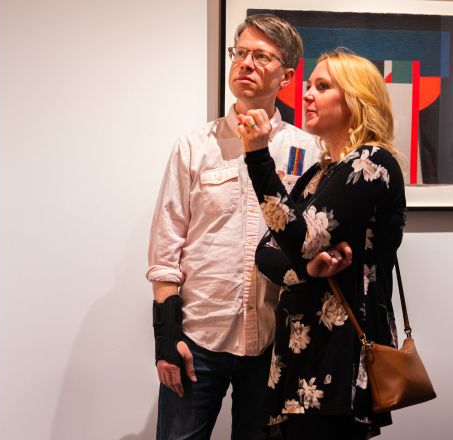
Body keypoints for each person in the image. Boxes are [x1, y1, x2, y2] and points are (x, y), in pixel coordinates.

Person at [146, 14, 318, 440]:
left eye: (261, 56)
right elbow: (165, 251)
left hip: (274, 344)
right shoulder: (194, 146)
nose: (245, 63)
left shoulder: (307, 149)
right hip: (198, 340)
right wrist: (166, 339)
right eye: (240, 53)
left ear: (287, 75)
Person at [236, 50, 407, 439]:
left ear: (356, 100)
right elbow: (267, 251)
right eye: (309, 85)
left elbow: (301, 238)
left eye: (323, 86)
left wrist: (258, 158)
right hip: (299, 356)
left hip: (338, 358)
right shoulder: (319, 172)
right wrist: (307, 270)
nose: (307, 94)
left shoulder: (372, 162)